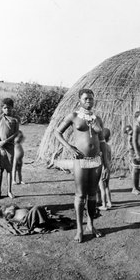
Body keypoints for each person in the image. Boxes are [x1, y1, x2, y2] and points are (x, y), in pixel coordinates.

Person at [54, 88, 109, 243]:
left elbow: (103, 142)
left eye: (91, 99)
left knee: (92, 195)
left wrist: (106, 164)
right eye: (85, 99)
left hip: (96, 161)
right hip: (80, 160)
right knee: (80, 195)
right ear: (79, 100)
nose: (88, 101)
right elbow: (57, 132)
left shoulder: (98, 118)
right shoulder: (73, 116)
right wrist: (69, 147)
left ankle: (91, 225)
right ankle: (79, 229)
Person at [0, 98, 19, 199]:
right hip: (0, 147)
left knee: (9, 170)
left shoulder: (15, 120)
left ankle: (9, 191)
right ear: (2, 109)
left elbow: (16, 133)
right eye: (4, 108)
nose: (7, 110)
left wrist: (6, 141)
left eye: (9, 108)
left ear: (12, 108)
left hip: (10, 147)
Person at [98, 128, 112, 211]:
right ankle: (109, 202)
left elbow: (101, 159)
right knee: (107, 186)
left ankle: (104, 205)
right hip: (108, 168)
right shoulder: (109, 147)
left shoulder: (101, 148)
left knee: (102, 188)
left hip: (102, 169)